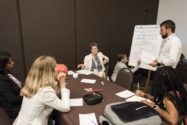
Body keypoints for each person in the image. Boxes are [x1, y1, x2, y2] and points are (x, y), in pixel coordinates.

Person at [13, 56, 70, 125]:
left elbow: (50, 93)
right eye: (55, 66)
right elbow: (65, 107)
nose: (57, 69)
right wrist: (62, 85)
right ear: (49, 71)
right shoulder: (45, 91)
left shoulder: (32, 82)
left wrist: (55, 81)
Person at [0, 52, 23, 119]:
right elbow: (12, 100)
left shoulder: (7, 73)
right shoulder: (1, 80)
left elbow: (18, 85)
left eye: (12, 61)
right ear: (2, 65)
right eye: (9, 62)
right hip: (13, 109)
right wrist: (26, 94)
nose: (13, 63)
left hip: (19, 101)